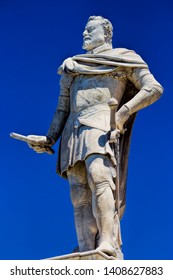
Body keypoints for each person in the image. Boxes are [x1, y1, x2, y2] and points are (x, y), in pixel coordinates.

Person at [26, 16, 163, 258]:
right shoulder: (73, 65)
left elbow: (153, 88)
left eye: (90, 30)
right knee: (78, 193)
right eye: (84, 31)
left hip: (101, 124)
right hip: (72, 131)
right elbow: (62, 109)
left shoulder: (124, 58)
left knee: (100, 177)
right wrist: (48, 139)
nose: (85, 35)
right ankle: (86, 247)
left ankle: (107, 243)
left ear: (106, 34)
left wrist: (124, 111)